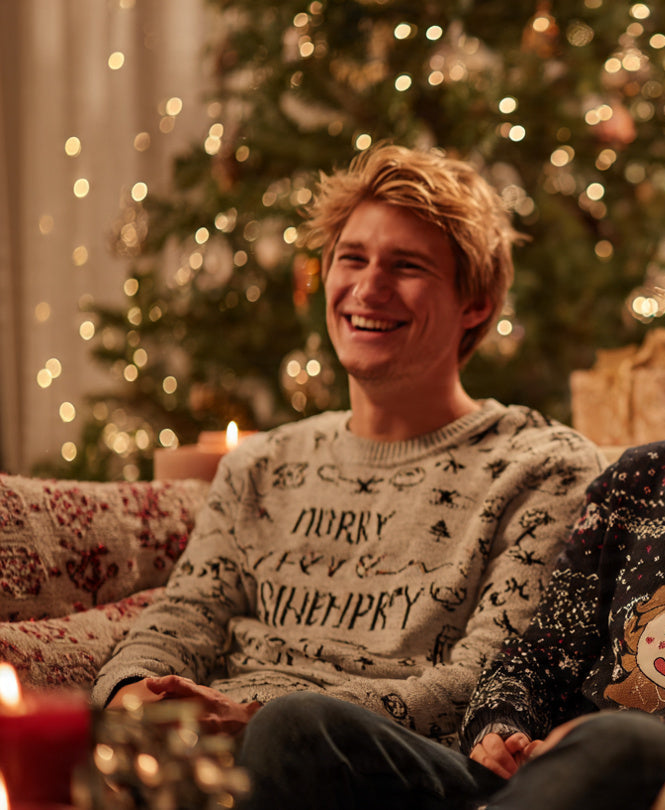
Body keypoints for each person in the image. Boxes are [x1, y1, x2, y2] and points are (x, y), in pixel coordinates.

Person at [234, 179, 665, 810]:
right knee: (297, 724)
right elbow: (540, 652)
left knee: (622, 745)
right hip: (547, 780)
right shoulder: (638, 480)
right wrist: (503, 726)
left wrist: (642, 733)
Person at [92, 144, 606, 745]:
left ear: (476, 305)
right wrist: (135, 694)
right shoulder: (261, 465)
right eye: (351, 259)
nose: (367, 288)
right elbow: (186, 615)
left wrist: (258, 720)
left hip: (381, 763)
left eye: (407, 266)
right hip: (209, 744)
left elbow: (490, 681)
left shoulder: (543, 467)